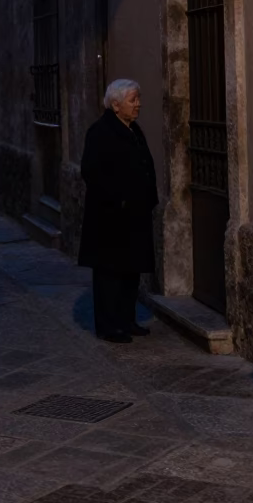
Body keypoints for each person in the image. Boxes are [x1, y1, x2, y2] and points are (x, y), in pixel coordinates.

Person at [78, 79, 159, 344]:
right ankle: (108, 325)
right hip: (110, 219)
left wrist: (148, 199)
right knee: (109, 273)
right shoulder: (99, 132)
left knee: (130, 271)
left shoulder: (133, 130)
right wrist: (119, 200)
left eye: (138, 99)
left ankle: (126, 319)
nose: (138, 105)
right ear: (115, 104)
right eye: (133, 100)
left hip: (134, 217)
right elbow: (91, 172)